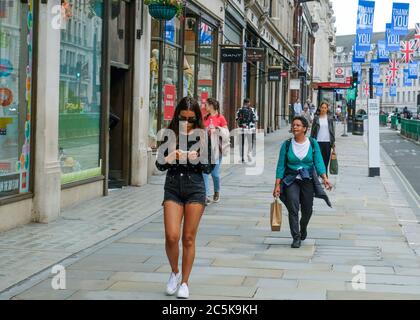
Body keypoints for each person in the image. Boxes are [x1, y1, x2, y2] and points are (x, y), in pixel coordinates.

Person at [155, 96, 215, 299]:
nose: (187, 123)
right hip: (172, 187)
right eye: (183, 118)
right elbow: (160, 165)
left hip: (195, 188)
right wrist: (170, 158)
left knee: (188, 238)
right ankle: (174, 272)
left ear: (197, 117)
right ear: (177, 115)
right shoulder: (169, 134)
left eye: (191, 119)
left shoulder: (203, 136)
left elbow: (210, 167)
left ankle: (185, 282)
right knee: (172, 236)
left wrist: (197, 159)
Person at [273, 116, 333, 248]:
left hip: (308, 180)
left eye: (298, 125)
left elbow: (318, 161)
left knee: (307, 210)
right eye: (293, 125)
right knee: (293, 208)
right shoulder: (287, 144)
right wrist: (277, 185)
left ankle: (303, 226)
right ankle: (296, 237)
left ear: (305, 128)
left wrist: (325, 178)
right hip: (291, 180)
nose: (295, 127)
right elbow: (281, 166)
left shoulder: (312, 143)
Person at [202, 98, 228, 205]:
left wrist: (217, 129)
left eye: (206, 105)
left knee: (214, 174)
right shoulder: (205, 117)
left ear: (212, 106)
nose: (205, 107)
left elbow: (226, 132)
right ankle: (206, 195)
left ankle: (216, 191)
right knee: (204, 172)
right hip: (205, 150)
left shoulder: (220, 118)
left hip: (217, 150)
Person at [310, 102, 336, 175]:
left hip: (327, 142)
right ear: (320, 108)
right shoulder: (316, 118)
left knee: (326, 160)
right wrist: (311, 142)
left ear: (327, 109)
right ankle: (318, 176)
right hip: (317, 142)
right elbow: (313, 131)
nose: (323, 109)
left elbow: (332, 131)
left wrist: (333, 144)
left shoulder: (330, 118)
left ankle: (325, 176)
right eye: (322, 107)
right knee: (318, 160)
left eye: (325, 108)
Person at [236, 98, 256, 162]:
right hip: (250, 129)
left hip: (242, 129)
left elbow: (237, 119)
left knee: (241, 143)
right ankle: (248, 154)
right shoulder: (253, 110)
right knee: (250, 142)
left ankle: (242, 157)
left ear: (243, 103)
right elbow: (255, 119)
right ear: (249, 103)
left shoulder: (239, 110)